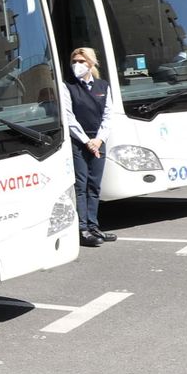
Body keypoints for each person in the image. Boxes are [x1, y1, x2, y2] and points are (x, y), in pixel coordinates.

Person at [65, 46, 115, 247]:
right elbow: (69, 117)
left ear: (91, 63)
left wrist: (99, 140)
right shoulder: (67, 86)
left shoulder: (103, 86)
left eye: (81, 61)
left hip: (98, 141)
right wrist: (86, 141)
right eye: (74, 61)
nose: (77, 65)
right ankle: (82, 229)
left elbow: (108, 115)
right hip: (79, 141)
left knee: (94, 185)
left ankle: (93, 226)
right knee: (81, 185)